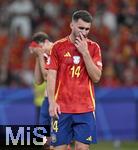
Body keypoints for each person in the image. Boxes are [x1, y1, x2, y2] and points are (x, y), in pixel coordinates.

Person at [46, 10, 103, 150]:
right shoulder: (57, 47)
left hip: (85, 109)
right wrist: (52, 102)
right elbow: (51, 76)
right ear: (72, 25)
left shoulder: (94, 48)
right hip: (62, 108)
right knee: (59, 148)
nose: (84, 32)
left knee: (82, 148)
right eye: (81, 27)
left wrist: (85, 53)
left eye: (87, 29)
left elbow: (96, 77)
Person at [29, 32, 53, 150]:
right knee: (44, 140)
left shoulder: (55, 51)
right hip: (46, 100)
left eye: (40, 47)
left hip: (57, 100)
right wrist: (38, 56)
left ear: (46, 43)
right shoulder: (43, 55)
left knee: (58, 140)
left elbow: (46, 75)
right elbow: (38, 80)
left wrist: (39, 55)